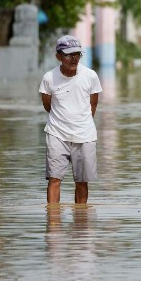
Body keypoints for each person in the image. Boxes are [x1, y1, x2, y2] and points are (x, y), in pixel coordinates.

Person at [39, 35, 102, 204]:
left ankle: (81, 223)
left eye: (77, 54)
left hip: (85, 135)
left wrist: (80, 123)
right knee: (54, 179)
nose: (73, 58)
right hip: (56, 133)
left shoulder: (90, 76)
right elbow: (48, 106)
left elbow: (92, 106)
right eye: (68, 54)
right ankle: (52, 222)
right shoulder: (49, 78)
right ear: (58, 56)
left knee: (82, 182)